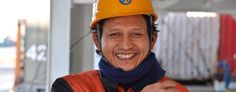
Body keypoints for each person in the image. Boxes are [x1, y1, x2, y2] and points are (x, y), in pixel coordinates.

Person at [51, 0, 189, 92]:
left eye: (136, 34)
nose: (126, 45)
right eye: (115, 34)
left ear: (152, 40)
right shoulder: (71, 87)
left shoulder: (177, 90)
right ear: (97, 41)